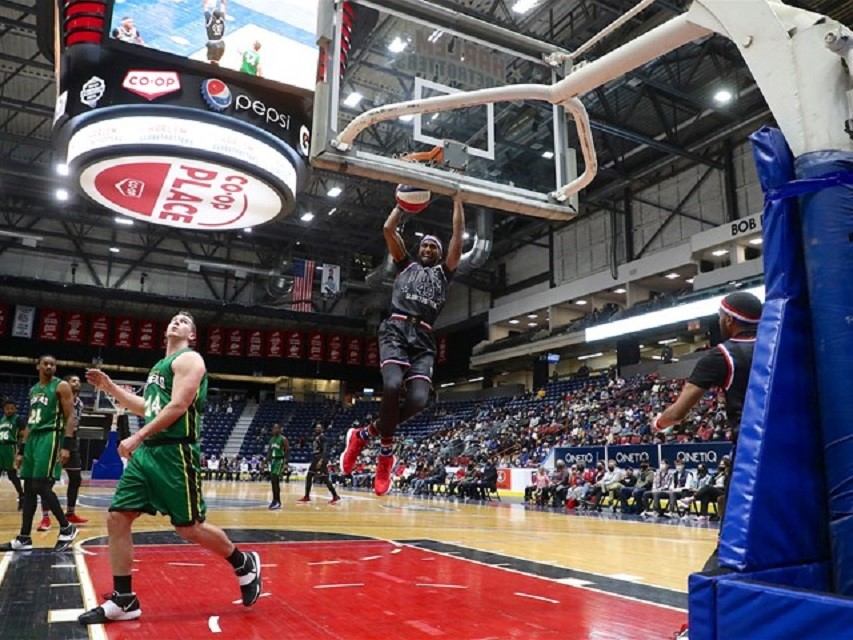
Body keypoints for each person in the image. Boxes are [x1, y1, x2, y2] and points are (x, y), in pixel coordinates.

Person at [78, 312, 261, 624]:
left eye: (185, 321)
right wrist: (110, 387)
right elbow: (146, 408)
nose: (177, 321)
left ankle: (242, 562)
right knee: (117, 516)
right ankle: (124, 599)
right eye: (174, 319)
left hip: (175, 453)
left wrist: (137, 435)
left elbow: (178, 406)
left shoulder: (191, 360)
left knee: (188, 527)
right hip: (149, 455)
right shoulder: (157, 369)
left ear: (192, 335)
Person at [339, 197, 465, 495]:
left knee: (420, 400)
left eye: (434, 246)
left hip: (423, 338)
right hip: (395, 328)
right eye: (425, 245)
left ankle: (363, 435)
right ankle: (385, 454)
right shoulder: (404, 265)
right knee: (393, 385)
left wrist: (458, 201)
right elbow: (387, 228)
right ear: (418, 249)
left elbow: (458, 235)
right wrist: (400, 203)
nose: (428, 249)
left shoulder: (445, 273)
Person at [654, 291, 761, 566]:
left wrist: (659, 423)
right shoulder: (781, 345)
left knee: (735, 506)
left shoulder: (721, 355)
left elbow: (678, 412)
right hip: (798, 439)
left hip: (753, 447)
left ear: (728, 320)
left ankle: (725, 567)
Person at [0, 355, 78, 552]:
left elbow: (71, 417)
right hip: (33, 439)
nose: (50, 366)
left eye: (53, 363)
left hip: (50, 437)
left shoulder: (61, 386)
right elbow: (29, 423)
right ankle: (24, 538)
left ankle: (67, 528)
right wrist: (22, 450)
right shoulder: (33, 389)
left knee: (41, 485)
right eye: (46, 363)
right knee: (28, 489)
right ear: (38, 366)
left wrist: (66, 445)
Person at [38, 374, 88, 531]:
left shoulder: (80, 403)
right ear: (66, 384)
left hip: (72, 441)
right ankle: (45, 517)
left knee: (76, 478)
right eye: (73, 380)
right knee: (48, 481)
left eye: (78, 380)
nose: (77, 383)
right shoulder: (58, 399)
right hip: (58, 440)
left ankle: (71, 512)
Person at [298, 424, 340, 504]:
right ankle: (307, 496)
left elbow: (325, 450)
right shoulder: (315, 437)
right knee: (312, 476)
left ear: (322, 429)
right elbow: (306, 442)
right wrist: (303, 440)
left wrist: (321, 460)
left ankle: (335, 496)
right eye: (316, 428)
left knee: (323, 478)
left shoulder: (322, 437)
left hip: (320, 458)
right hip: (316, 458)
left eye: (319, 428)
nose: (317, 429)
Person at [0, 399, 25, 510]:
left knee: (12, 475)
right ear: (3, 409)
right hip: (1, 447)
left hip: (10, 448)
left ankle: (22, 495)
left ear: (15, 409)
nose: (9, 410)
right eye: (7, 408)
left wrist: (20, 451)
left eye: (12, 408)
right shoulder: (2, 419)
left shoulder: (18, 419)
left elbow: (24, 433)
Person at [267, 423, 287, 510]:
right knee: (273, 481)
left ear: (279, 429)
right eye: (273, 428)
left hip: (280, 460)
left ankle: (278, 501)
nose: (274, 430)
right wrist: (266, 461)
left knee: (275, 480)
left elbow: (287, 450)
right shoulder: (271, 439)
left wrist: (285, 463)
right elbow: (269, 451)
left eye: (276, 428)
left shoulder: (283, 439)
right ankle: (274, 500)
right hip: (273, 461)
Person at [204, 1, 227, 65]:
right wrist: (223, 3)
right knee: (217, 61)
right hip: (221, 43)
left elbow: (205, 10)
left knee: (212, 62)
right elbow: (223, 11)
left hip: (213, 44)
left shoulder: (210, 20)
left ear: (213, 16)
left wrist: (205, 3)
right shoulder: (222, 19)